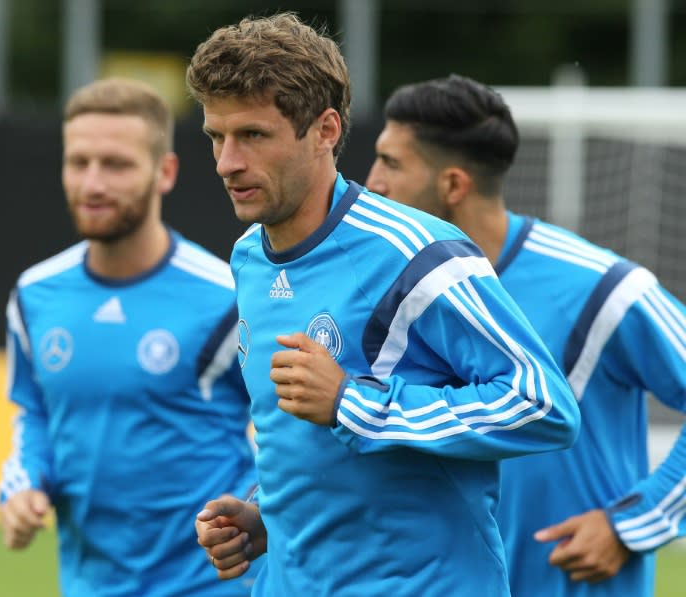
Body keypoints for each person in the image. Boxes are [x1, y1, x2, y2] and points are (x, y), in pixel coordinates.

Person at [185, 13, 580, 596]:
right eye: (217, 137)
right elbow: (307, 442)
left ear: (325, 130)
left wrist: (353, 403)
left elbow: (544, 404)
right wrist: (267, 515)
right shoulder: (249, 256)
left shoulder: (419, 254)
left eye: (254, 136)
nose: (227, 163)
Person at [364, 74, 686, 597]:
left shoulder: (603, 288)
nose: (371, 181)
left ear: (453, 186)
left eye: (392, 164)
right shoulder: (388, 290)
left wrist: (632, 525)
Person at [0, 77, 257, 597]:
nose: (92, 183)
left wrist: (252, 515)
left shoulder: (229, 295)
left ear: (165, 172)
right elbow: (37, 414)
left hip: (213, 586)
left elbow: (286, 437)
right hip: (88, 584)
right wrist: (24, 481)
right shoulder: (34, 295)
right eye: (79, 162)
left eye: (115, 164)